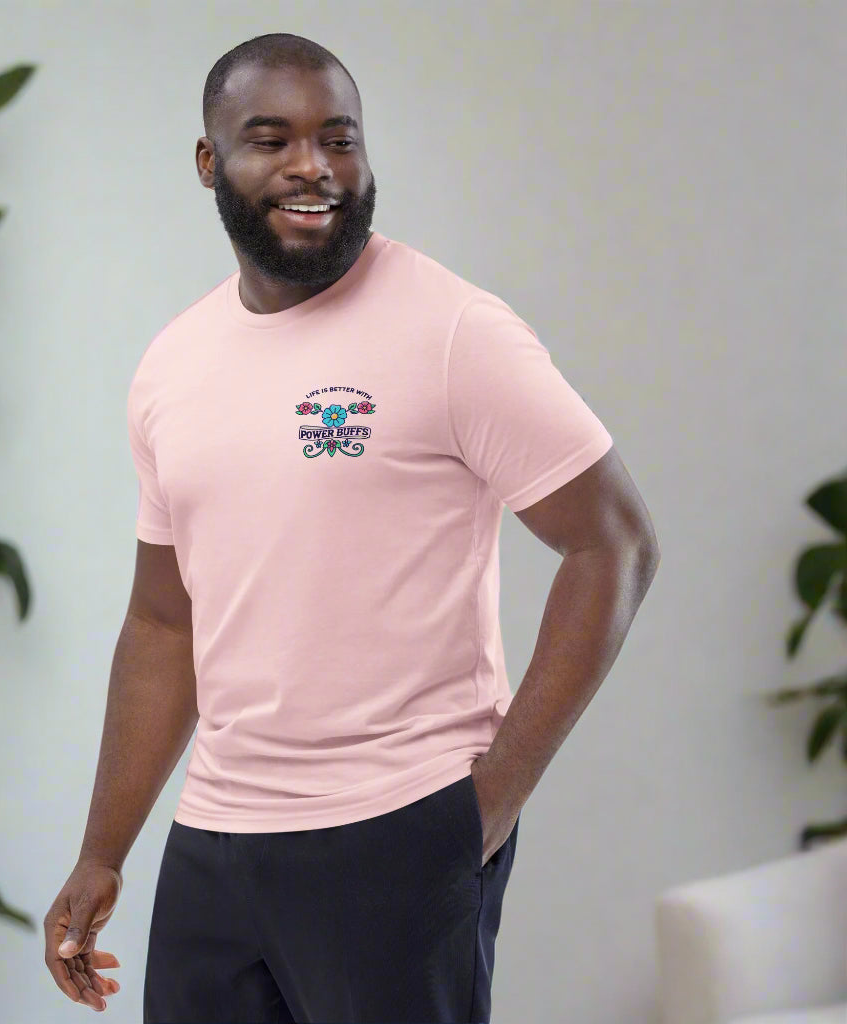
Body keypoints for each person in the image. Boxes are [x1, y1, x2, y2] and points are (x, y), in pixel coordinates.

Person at [43, 32, 661, 1024]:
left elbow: (615, 542)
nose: (311, 165)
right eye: (270, 137)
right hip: (216, 840)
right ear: (208, 162)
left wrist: (489, 801)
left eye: (339, 137)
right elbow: (164, 624)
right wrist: (102, 849)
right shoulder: (172, 365)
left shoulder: (454, 330)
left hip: (397, 830)